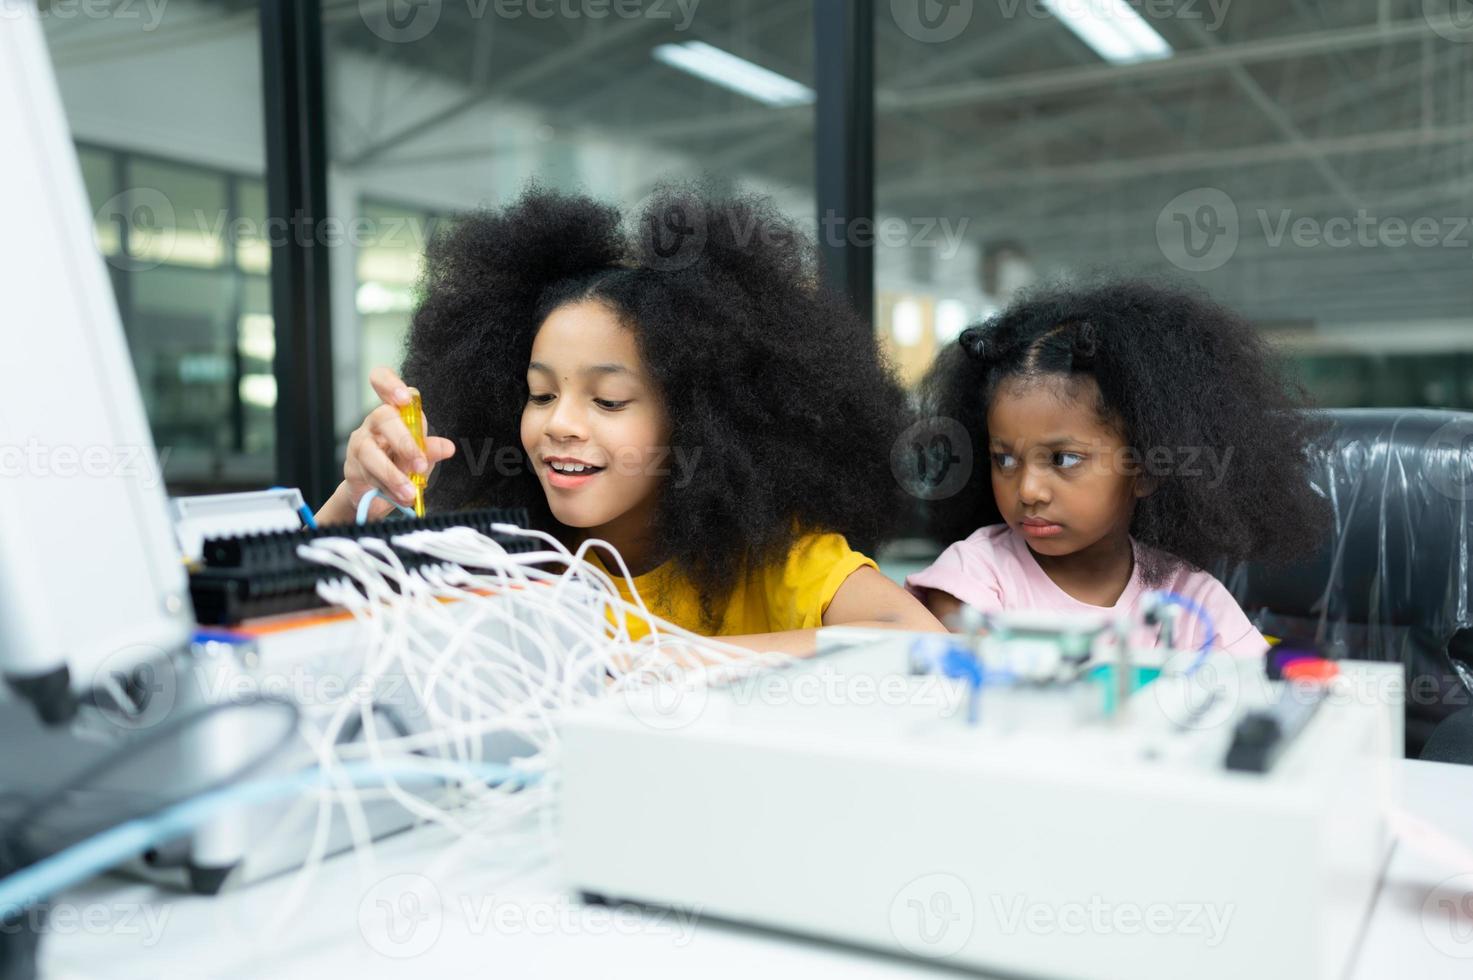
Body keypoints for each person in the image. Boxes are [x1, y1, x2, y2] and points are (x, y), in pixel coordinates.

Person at [316, 184, 943, 653]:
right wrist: (353, 497)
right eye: (539, 394)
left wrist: (681, 662)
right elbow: (294, 624)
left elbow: (921, 643)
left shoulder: (778, 562)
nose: (560, 422)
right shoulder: (509, 560)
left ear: (703, 423)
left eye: (608, 401)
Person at [906, 278, 1330, 656]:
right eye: (1005, 459)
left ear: (1145, 468)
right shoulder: (973, 578)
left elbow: (1259, 700)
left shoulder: (1191, 597)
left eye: (1064, 459)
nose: (1029, 490)